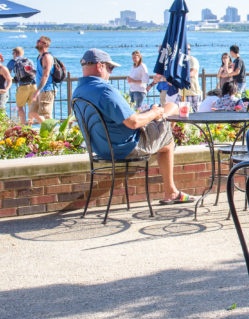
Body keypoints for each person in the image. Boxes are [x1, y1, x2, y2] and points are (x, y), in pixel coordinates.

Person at [71, 49, 191, 205]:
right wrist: (154, 112)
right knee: (171, 112)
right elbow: (133, 122)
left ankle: (159, 142)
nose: (111, 72)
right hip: (125, 147)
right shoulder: (105, 90)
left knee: (162, 121)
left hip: (101, 149)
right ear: (100, 66)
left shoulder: (77, 92)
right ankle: (171, 192)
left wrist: (150, 113)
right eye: (110, 68)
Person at [8, 47, 37, 123]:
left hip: (23, 85)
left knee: (20, 106)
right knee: (31, 107)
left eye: (13, 53)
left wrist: (11, 79)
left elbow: (7, 74)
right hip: (33, 85)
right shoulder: (29, 60)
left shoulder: (12, 62)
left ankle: (23, 125)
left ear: (16, 53)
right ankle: (30, 125)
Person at [31, 36, 56, 123]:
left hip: (47, 89)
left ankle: (55, 133)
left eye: (39, 41)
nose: (37, 42)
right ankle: (47, 129)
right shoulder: (40, 57)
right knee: (33, 112)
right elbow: (41, 73)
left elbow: (45, 75)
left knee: (47, 114)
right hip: (41, 89)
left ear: (45, 44)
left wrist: (37, 90)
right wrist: (32, 71)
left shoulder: (47, 57)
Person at [180, 44, 203, 112]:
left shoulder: (193, 60)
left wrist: (178, 76)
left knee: (195, 116)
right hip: (181, 93)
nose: (188, 51)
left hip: (192, 92)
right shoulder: (179, 61)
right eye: (186, 49)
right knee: (182, 115)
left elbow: (191, 74)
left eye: (189, 49)